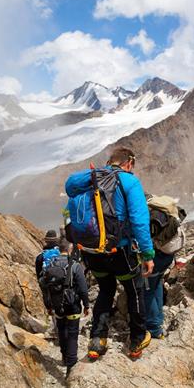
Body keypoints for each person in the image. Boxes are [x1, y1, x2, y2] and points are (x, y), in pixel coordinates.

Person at [67, 147, 155, 360]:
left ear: (109, 162)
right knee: (134, 291)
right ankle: (136, 340)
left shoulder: (90, 180)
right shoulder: (129, 182)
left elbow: (70, 194)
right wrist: (147, 254)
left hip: (92, 251)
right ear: (129, 163)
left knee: (106, 290)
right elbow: (139, 221)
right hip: (120, 252)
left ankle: (97, 341)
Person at [37, 238, 89, 377]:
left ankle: (65, 357)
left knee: (61, 330)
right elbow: (83, 288)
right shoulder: (75, 266)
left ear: (59, 249)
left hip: (57, 305)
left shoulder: (50, 265)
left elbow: (45, 286)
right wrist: (87, 305)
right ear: (70, 249)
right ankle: (71, 367)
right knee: (72, 334)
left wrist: (48, 305)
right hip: (73, 306)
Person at [144, 249, 174, 339]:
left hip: (153, 258)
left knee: (147, 291)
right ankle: (159, 319)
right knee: (157, 283)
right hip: (168, 254)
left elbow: (143, 239)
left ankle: (153, 328)